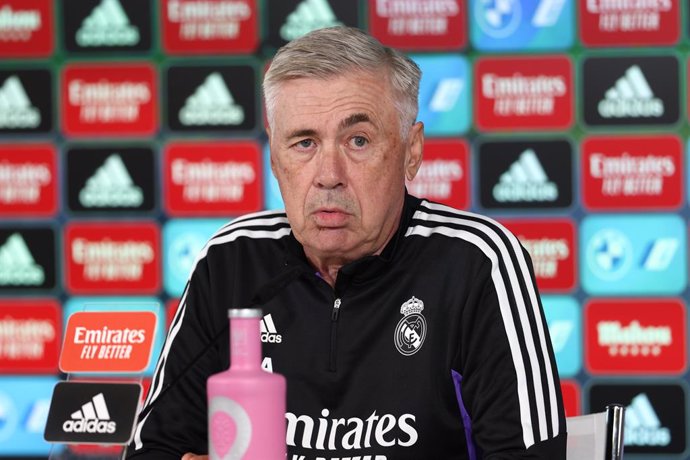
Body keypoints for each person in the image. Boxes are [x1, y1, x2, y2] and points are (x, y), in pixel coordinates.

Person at [126, 26, 566, 459]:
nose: (328, 174)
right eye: (303, 143)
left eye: (358, 140)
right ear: (275, 159)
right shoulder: (231, 261)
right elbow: (154, 449)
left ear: (411, 151)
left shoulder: (477, 261)